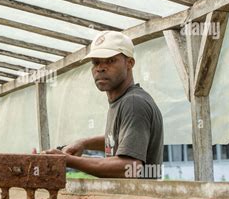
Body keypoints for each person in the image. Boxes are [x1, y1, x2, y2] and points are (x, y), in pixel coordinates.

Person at [44, 31, 163, 178]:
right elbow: (120, 141)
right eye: (96, 62)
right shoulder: (123, 101)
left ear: (129, 63)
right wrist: (83, 143)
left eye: (110, 60)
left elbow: (129, 166)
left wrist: (69, 161)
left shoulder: (133, 103)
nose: (100, 68)